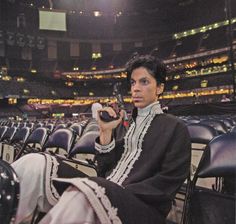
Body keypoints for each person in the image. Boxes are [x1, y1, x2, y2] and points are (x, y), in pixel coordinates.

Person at [11, 55, 191, 224]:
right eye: (133, 82)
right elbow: (103, 170)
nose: (135, 88)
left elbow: (167, 184)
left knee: (84, 193)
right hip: (107, 188)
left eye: (144, 82)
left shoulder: (176, 128)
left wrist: (115, 189)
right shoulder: (123, 123)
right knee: (33, 163)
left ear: (160, 87)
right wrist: (105, 133)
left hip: (142, 207)